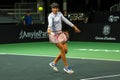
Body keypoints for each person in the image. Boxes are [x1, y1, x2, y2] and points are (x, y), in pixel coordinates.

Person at [47, 3, 80, 74]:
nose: (55, 9)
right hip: (54, 35)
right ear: (51, 9)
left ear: (58, 9)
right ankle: (66, 67)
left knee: (65, 51)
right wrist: (49, 29)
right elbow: (50, 23)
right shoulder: (50, 16)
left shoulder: (59, 14)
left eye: (56, 8)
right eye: (54, 8)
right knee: (62, 49)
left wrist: (74, 27)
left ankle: (54, 62)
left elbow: (66, 21)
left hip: (60, 34)